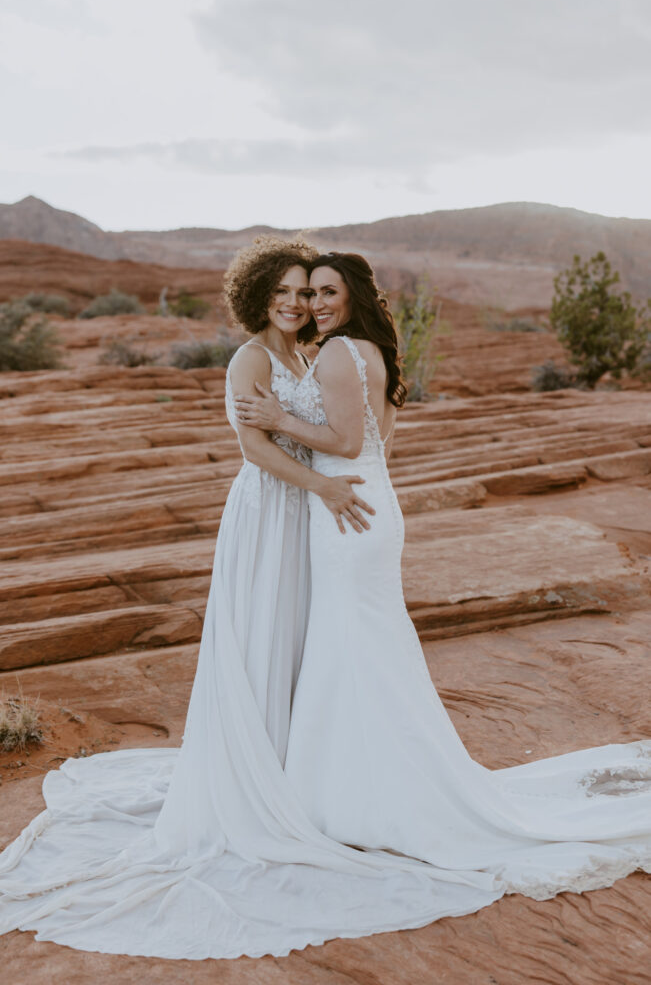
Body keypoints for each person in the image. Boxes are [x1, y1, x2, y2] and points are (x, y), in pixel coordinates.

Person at [236, 250, 651, 911]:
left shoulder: (342, 353)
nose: (314, 304)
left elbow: (343, 441)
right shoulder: (367, 349)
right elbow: (376, 442)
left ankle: (358, 798)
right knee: (359, 646)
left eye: (327, 292)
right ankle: (361, 787)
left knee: (351, 644)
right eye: (308, 293)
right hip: (365, 502)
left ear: (353, 297)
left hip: (348, 507)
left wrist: (278, 420)